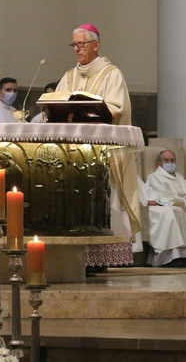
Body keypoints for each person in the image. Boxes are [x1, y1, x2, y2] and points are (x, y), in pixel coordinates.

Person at [57, 23, 141, 266]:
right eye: (74, 44)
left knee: (105, 199)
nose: (77, 49)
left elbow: (117, 109)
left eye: (82, 44)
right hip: (73, 154)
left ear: (96, 45)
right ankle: (78, 256)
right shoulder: (69, 76)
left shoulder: (111, 74)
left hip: (103, 153)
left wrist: (83, 112)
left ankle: (102, 258)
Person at [137, 176, 186, 267]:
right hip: (140, 208)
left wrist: (153, 199)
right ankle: (168, 257)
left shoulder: (135, 176)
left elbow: (150, 191)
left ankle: (185, 254)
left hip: (150, 205)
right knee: (167, 213)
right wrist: (145, 202)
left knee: (178, 210)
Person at [146, 150, 186, 229]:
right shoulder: (155, 177)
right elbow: (163, 196)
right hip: (175, 208)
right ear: (159, 162)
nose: (170, 163)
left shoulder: (178, 176)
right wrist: (184, 201)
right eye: (166, 160)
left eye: (172, 160)